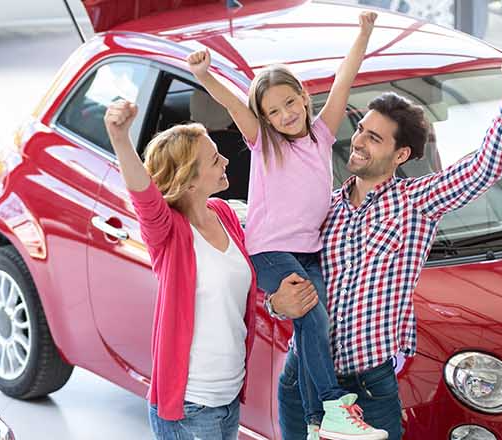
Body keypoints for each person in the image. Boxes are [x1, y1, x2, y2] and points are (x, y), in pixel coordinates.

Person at [269, 47, 502, 440]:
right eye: (361, 128)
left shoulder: (416, 202)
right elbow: (279, 270)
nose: (358, 141)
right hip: (303, 379)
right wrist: (276, 304)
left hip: (366, 386)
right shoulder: (321, 206)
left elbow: (484, 165)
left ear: (401, 154)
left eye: (374, 138)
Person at [187, 10, 387, 440]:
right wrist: (206, 75)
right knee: (312, 315)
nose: (286, 115)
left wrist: (364, 33)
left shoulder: (321, 136)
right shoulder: (265, 145)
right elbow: (233, 105)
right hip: (269, 250)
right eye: (274, 112)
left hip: (308, 250)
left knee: (317, 326)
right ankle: (333, 405)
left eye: (290, 103)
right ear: (267, 120)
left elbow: (344, 81)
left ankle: (317, 424)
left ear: (302, 97)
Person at [103, 102, 316, 440]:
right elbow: (144, 197)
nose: (227, 161)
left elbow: (245, 286)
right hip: (190, 407)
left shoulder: (224, 214)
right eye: (215, 159)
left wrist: (277, 305)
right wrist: (120, 138)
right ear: (189, 181)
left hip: (228, 399)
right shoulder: (169, 234)